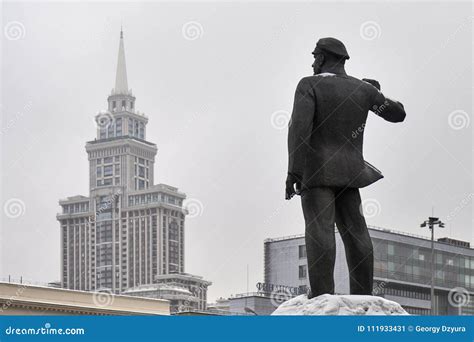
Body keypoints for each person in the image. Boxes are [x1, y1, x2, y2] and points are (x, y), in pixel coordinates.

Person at [285, 37, 406, 297]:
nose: (313, 62)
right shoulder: (362, 90)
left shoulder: (309, 85)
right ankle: (363, 296)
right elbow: (398, 114)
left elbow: (299, 130)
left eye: (315, 56)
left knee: (320, 229)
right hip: (351, 173)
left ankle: (321, 296)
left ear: (324, 57)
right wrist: (375, 92)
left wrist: (293, 171)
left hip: (316, 172)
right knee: (356, 233)